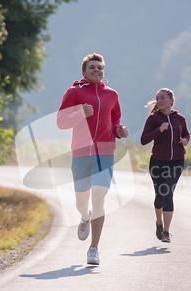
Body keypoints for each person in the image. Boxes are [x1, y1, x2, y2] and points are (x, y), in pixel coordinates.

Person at [57, 53, 128, 265]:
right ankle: (85, 217)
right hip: (81, 153)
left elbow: (114, 119)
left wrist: (119, 130)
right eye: (92, 67)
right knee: (81, 201)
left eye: (100, 67)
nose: (96, 70)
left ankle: (94, 249)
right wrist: (80, 113)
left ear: (103, 71)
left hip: (105, 153)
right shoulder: (73, 92)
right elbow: (61, 121)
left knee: (99, 198)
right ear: (84, 72)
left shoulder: (112, 95)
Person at [140, 88, 190, 243]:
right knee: (160, 196)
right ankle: (159, 222)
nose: (159, 100)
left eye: (162, 98)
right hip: (158, 162)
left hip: (177, 161)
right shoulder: (153, 118)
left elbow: (186, 133)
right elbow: (143, 140)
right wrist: (159, 130)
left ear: (171, 100)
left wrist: (186, 140)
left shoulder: (179, 118)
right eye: (157, 98)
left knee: (168, 192)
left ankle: (166, 231)